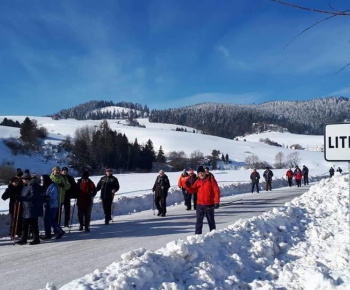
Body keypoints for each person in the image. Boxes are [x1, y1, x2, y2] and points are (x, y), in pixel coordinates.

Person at [185, 166, 220, 235]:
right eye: (199, 173)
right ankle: (197, 236)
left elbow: (216, 191)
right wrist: (188, 187)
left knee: (211, 221)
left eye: (202, 173)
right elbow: (192, 190)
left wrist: (216, 201)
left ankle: (213, 235)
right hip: (200, 204)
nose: (201, 174)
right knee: (198, 221)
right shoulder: (198, 181)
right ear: (197, 174)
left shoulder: (211, 180)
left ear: (205, 173)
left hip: (209, 204)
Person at [16, 172, 43, 245]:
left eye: (23, 179)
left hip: (32, 207)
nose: (22, 181)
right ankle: (24, 238)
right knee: (25, 224)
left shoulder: (33, 186)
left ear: (27, 179)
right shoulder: (26, 186)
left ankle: (36, 239)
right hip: (26, 207)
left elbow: (33, 197)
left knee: (33, 224)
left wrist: (23, 198)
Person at [41, 174, 65, 240]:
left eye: (43, 180)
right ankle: (47, 234)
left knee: (51, 220)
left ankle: (60, 231)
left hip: (53, 206)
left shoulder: (53, 186)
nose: (42, 182)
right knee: (46, 220)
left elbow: (53, 196)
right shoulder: (45, 186)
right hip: (46, 206)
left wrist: (46, 197)